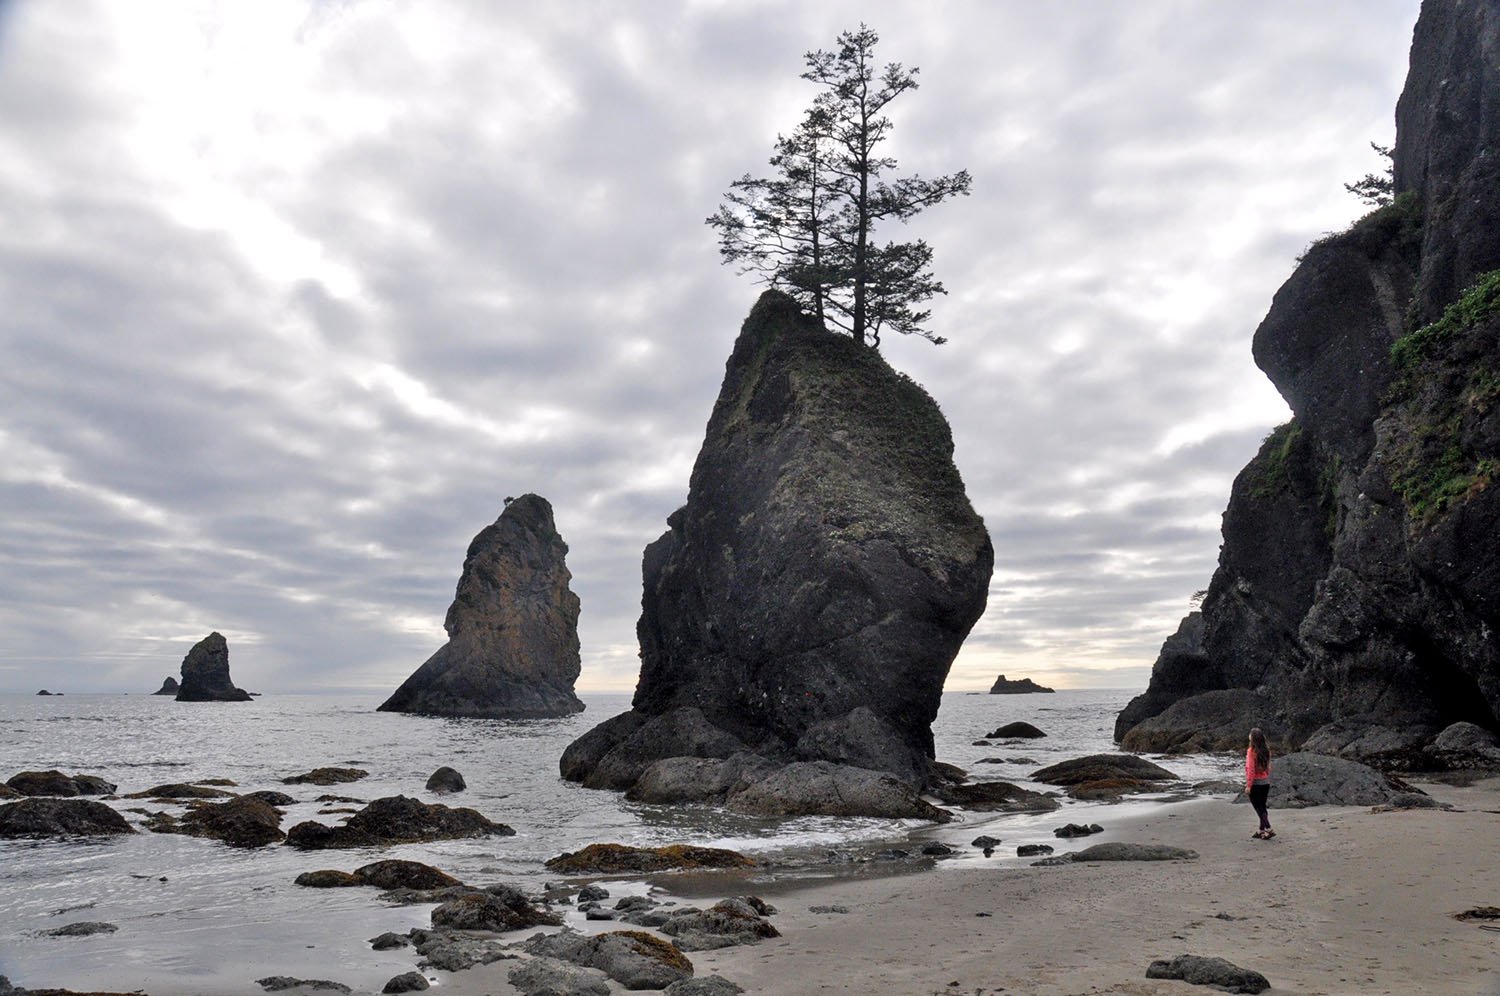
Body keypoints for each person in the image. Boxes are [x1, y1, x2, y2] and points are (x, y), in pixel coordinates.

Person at [1246, 727, 1274, 839]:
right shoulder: (1266, 750)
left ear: (1253, 738)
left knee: (1258, 807)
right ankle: (1261, 830)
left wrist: (1249, 785)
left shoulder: (1251, 752)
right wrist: (1266, 777)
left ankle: (1269, 828)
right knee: (1262, 807)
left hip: (1256, 784)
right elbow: (1268, 767)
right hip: (1265, 782)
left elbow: (1251, 769)